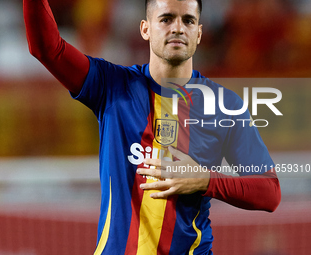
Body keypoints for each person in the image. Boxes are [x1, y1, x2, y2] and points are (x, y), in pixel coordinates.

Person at [23, 0, 281, 254]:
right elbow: (46, 48)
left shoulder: (224, 105)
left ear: (199, 33)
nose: (178, 28)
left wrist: (204, 180)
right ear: (145, 29)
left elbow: (270, 192)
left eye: (188, 20)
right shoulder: (111, 86)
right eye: (167, 18)